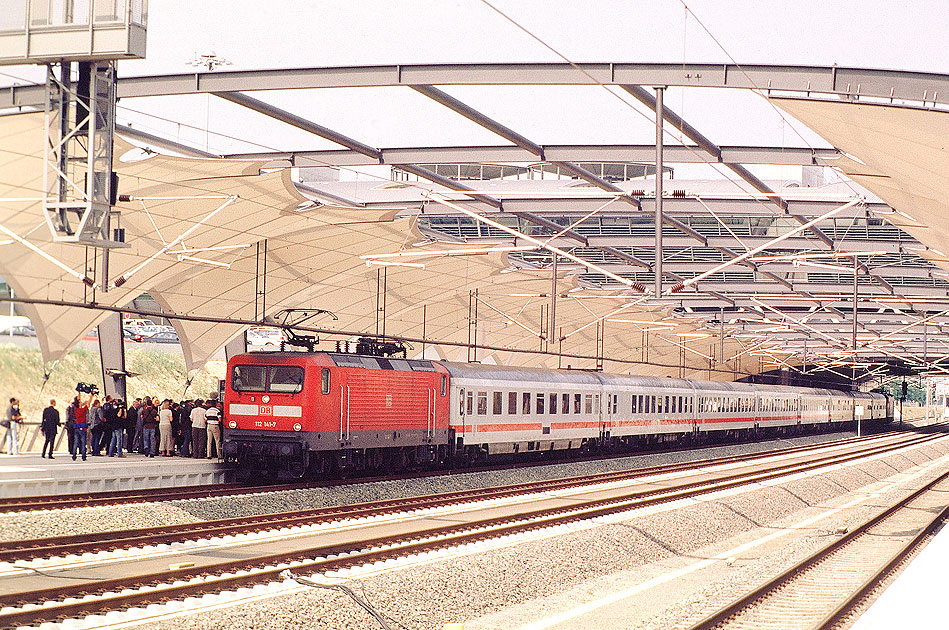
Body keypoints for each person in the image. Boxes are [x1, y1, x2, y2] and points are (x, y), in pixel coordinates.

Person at [73, 395, 89, 461]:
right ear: (79, 404)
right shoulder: (83, 410)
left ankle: (74, 455)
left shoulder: (76, 410)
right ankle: (83, 456)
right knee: (83, 443)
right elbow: (89, 403)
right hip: (83, 428)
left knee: (76, 442)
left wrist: (79, 393)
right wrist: (91, 396)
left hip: (77, 427)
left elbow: (81, 402)